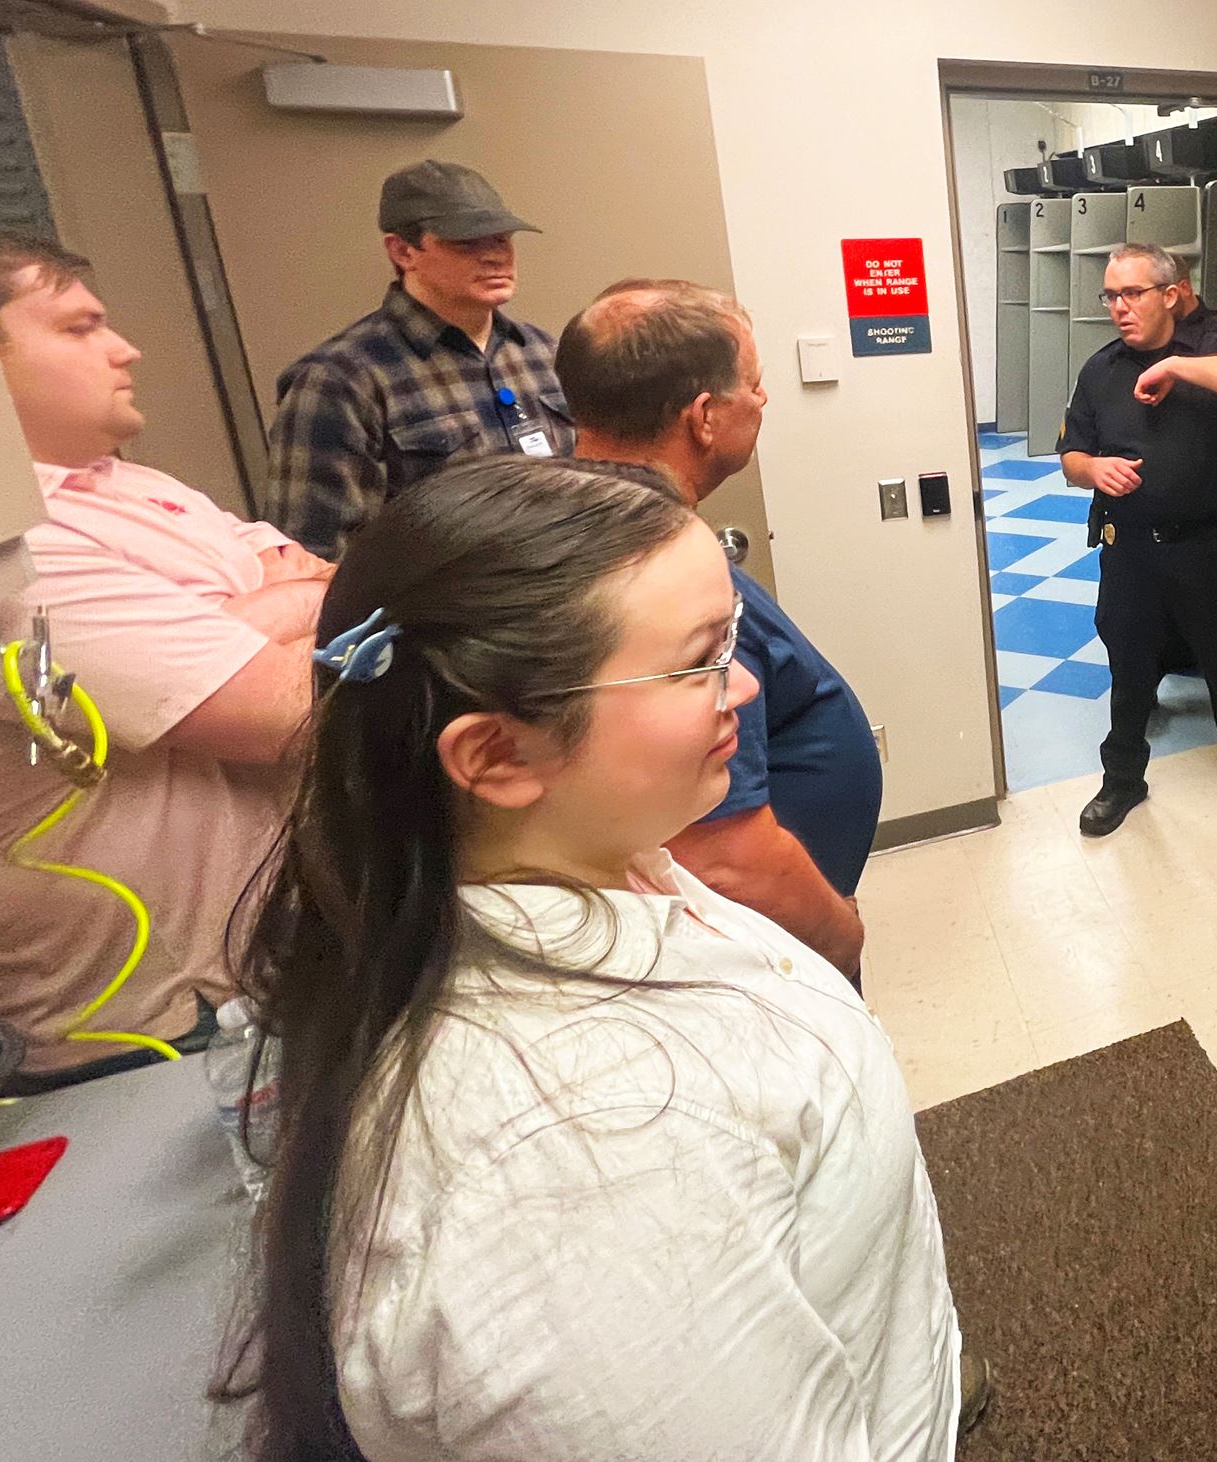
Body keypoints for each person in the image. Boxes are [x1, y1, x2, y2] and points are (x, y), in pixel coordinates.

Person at [221, 458, 964, 1462]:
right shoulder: (583, 1163)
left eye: (731, 640)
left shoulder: (607, 858)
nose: (743, 685)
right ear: (497, 756)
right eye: (699, 660)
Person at [0, 228, 322, 1087]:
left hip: (273, 962)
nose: (124, 348)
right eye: (78, 327)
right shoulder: (6, 551)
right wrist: (258, 625)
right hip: (151, 1031)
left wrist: (236, 621)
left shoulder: (138, 487)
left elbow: (329, 579)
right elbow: (285, 709)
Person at [557, 278, 880, 985]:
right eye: (754, 386)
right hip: (767, 950)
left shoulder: (585, 525)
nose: (762, 402)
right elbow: (719, 850)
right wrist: (837, 936)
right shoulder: (652, 575)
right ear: (704, 417)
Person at [1059, 243, 1217, 837]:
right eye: (1111, 295)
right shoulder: (1101, 369)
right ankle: (1123, 781)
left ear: (1171, 295)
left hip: (1203, 547)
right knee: (1129, 669)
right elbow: (1070, 454)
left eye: (1132, 293)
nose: (1119, 308)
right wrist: (1092, 470)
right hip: (1128, 548)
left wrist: (1177, 367)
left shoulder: (1212, 352)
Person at [262, 160, 573, 558]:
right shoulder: (339, 380)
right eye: (467, 242)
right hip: (443, 610)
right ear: (404, 251)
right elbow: (314, 558)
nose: (495, 257)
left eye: (501, 239)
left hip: (565, 593)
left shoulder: (542, 354)